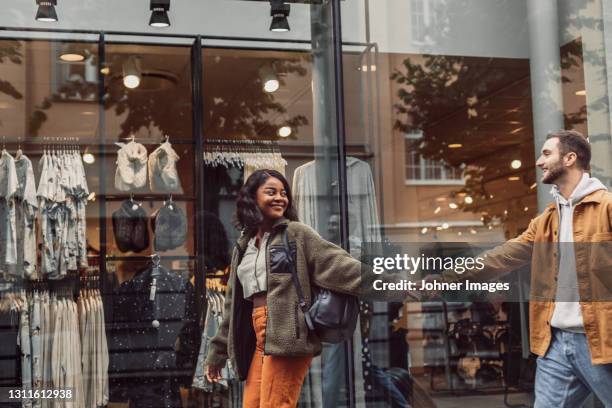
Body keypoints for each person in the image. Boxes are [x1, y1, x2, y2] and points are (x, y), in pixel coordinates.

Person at [435, 130, 612, 406]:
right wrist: (444, 279)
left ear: (569, 158)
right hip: (555, 345)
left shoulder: (606, 208)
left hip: (601, 341)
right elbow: (499, 258)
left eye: (546, 154)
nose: (540, 162)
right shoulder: (546, 222)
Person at [204, 169, 364, 408]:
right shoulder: (244, 245)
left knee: (275, 404)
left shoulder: (296, 234)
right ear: (252, 197)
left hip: (288, 335)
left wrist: (395, 283)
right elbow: (232, 306)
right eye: (271, 192)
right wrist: (217, 353)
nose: (280, 198)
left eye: (283, 193)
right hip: (257, 336)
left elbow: (342, 267)